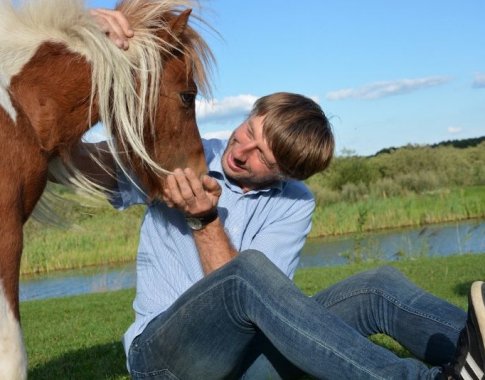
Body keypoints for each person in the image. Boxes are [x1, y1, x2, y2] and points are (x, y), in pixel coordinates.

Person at [82, 9, 485, 380]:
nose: (241, 152)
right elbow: (72, 160)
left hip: (245, 358)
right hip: (162, 360)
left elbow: (256, 312)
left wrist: (206, 222)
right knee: (249, 270)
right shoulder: (180, 154)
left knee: (376, 287)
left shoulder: (296, 201)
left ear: (285, 174)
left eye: (263, 157)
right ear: (249, 115)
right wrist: (91, 44)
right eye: (248, 132)